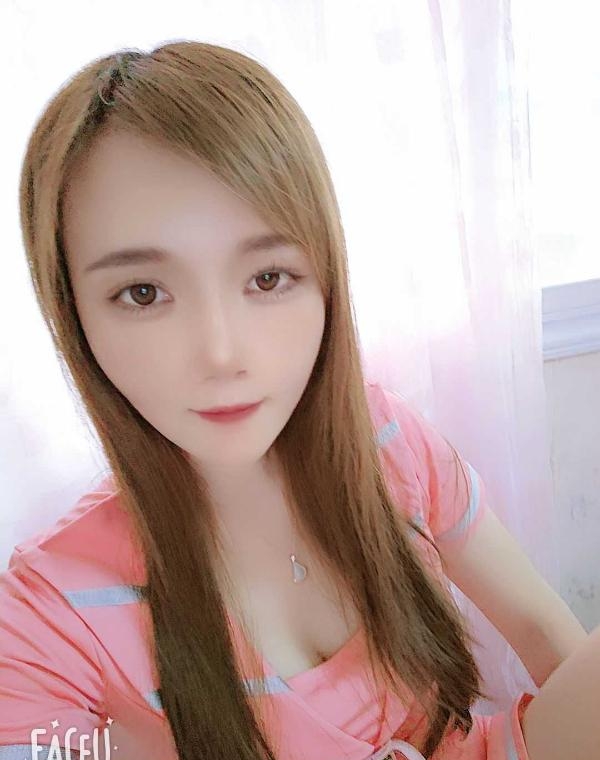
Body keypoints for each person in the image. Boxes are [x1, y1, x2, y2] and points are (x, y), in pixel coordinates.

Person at [0, 41, 597, 760]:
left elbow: (546, 637)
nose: (222, 353)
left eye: (268, 278)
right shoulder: (48, 615)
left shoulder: (384, 439)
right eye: (143, 293)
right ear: (75, 315)